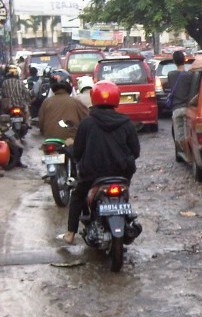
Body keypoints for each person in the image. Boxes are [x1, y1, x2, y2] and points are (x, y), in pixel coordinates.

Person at [61, 81, 140, 245]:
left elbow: (78, 152)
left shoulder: (87, 124)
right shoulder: (126, 123)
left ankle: (70, 233)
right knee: (124, 195)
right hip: (121, 173)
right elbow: (136, 152)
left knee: (77, 196)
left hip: (93, 175)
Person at [39, 71, 89, 142]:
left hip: (49, 141)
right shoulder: (76, 102)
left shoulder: (46, 102)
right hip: (71, 141)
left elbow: (41, 124)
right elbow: (87, 120)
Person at [166, 50, 192, 158]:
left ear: (174, 61)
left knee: (179, 136)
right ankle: (190, 156)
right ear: (184, 60)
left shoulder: (170, 75)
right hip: (188, 108)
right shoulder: (190, 75)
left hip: (176, 109)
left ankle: (185, 155)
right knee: (188, 135)